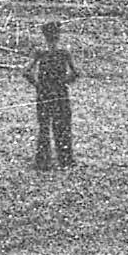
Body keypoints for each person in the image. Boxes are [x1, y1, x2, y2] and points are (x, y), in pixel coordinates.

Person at [23, 20, 79, 170]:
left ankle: (43, 161)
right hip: (60, 93)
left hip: (44, 93)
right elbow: (76, 73)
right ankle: (65, 160)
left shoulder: (40, 52)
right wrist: (63, 83)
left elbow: (26, 72)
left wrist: (39, 86)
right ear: (58, 35)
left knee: (44, 127)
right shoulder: (64, 52)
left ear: (44, 35)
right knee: (62, 126)